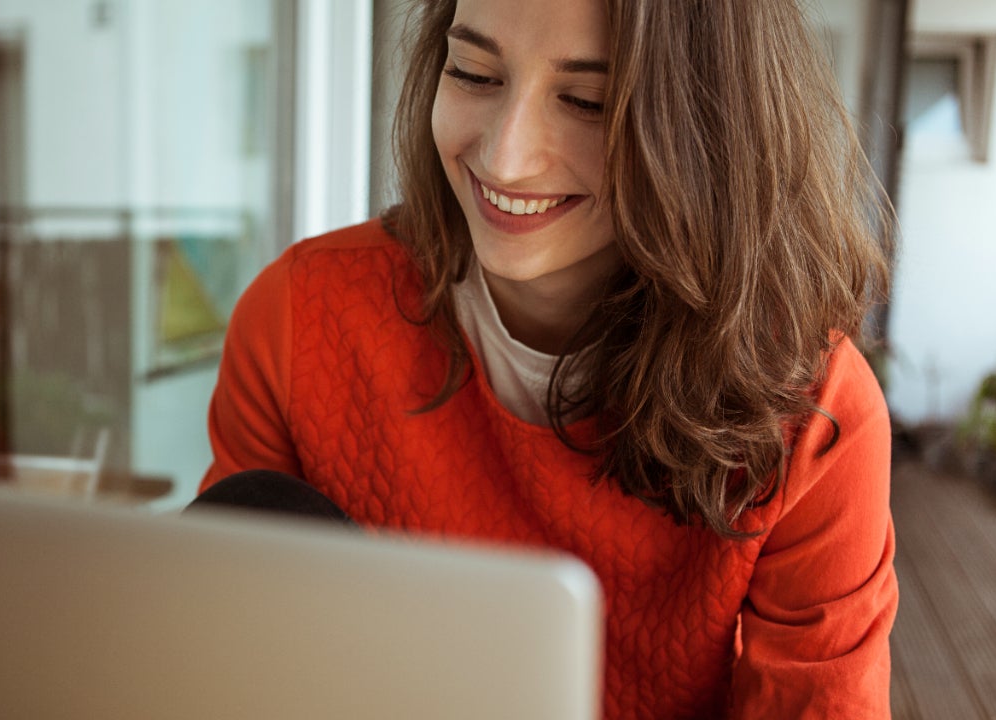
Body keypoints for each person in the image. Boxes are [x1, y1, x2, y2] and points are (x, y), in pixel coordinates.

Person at [199, 0, 898, 717]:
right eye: (473, 74)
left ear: (709, 127)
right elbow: (214, 658)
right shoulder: (296, 320)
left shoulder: (813, 414)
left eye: (587, 101)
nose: (505, 156)